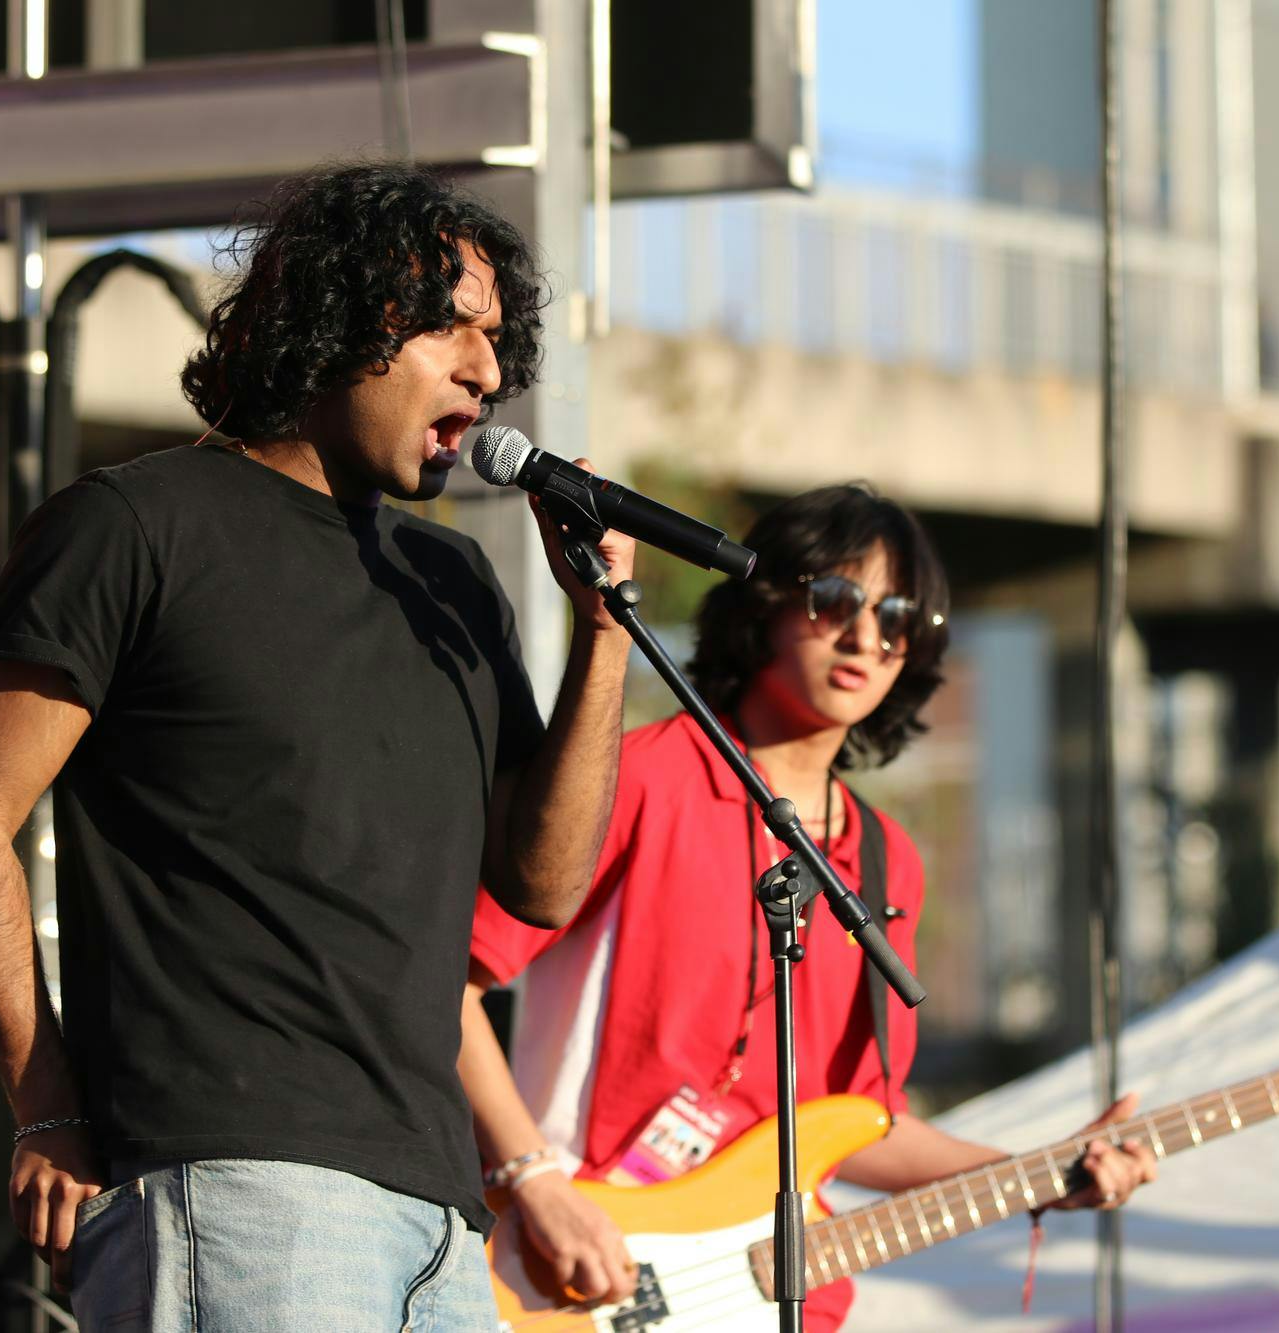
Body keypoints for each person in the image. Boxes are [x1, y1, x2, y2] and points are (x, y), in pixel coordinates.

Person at [0, 162, 634, 1332]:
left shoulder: (448, 581)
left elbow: (541, 884)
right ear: (330, 321)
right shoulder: (136, 527)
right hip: (233, 1183)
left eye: (496, 340)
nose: (486, 372)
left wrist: (602, 637)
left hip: (440, 1218)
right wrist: (43, 1105)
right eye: (449, 327)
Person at [459, 484, 1157, 1328]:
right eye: (836, 599)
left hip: (774, 1298)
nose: (869, 635)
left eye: (902, 618)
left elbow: (860, 1125)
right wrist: (530, 1179)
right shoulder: (639, 776)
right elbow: (449, 986)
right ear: (763, 604)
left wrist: (1039, 1170)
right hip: (581, 1273)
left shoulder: (888, 860)